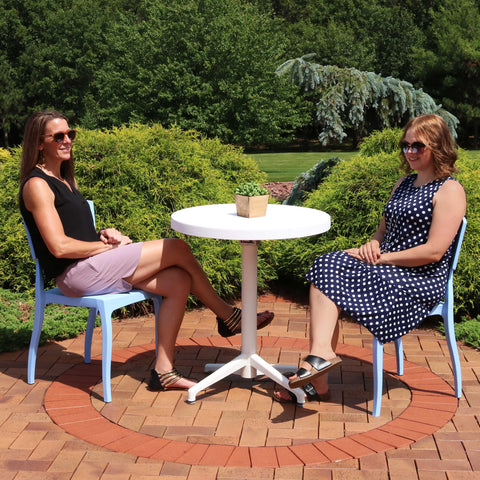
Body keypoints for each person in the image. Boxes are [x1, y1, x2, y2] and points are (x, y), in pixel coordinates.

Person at [19, 110, 274, 393]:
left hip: (91, 265)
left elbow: (73, 232)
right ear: (40, 143)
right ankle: (228, 316)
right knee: (175, 247)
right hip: (75, 275)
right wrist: (106, 247)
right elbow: (59, 246)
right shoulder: (37, 185)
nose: (67, 140)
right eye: (58, 136)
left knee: (178, 281)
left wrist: (102, 233)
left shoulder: (64, 179)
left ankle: (164, 372)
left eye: (71, 134)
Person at [274, 113, 466, 403]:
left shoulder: (450, 190)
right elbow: (381, 232)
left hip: (420, 279)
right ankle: (321, 358)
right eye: (406, 145)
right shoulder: (403, 183)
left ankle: (318, 371)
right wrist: (370, 247)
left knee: (331, 277)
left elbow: (434, 252)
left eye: (418, 146)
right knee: (327, 263)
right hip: (387, 264)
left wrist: (384, 258)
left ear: (438, 147)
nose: (409, 152)